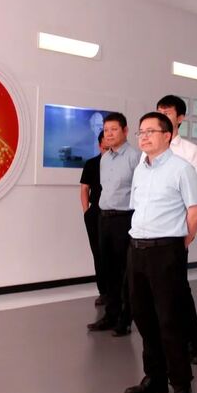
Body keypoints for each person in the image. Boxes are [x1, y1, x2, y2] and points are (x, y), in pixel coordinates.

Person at [124, 112, 197, 393]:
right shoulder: (140, 169)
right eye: (141, 132)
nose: (144, 137)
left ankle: (181, 384)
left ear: (167, 135)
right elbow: (137, 208)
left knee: (170, 318)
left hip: (166, 250)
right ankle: (154, 377)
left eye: (150, 131)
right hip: (137, 249)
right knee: (143, 315)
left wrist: (181, 243)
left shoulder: (182, 169)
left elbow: (195, 212)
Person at [154, 95, 197, 365]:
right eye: (159, 111)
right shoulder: (148, 151)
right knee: (157, 290)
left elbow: (194, 195)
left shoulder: (189, 151)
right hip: (151, 232)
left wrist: (188, 233)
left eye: (168, 111)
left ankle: (191, 343)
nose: (162, 114)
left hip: (175, 230)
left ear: (180, 118)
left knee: (178, 287)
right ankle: (165, 342)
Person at [87, 112, 139, 336]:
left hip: (124, 219)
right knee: (107, 269)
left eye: (114, 129)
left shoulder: (135, 157)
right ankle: (110, 315)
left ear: (125, 131)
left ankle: (125, 320)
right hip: (104, 218)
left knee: (124, 271)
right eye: (106, 130)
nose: (109, 134)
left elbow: (140, 191)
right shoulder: (104, 158)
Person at [80, 131, 107, 306]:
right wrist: (86, 212)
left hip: (115, 213)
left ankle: (118, 292)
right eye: (105, 145)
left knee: (114, 254)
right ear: (99, 145)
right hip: (95, 212)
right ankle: (103, 291)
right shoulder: (91, 164)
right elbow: (84, 189)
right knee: (98, 253)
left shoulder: (123, 163)